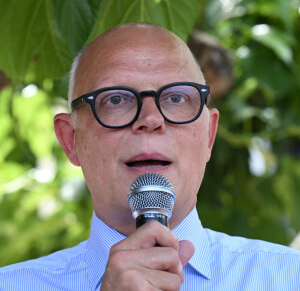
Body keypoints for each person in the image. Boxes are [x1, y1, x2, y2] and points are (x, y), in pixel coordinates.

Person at [0, 23, 299, 291]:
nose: (151, 118)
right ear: (70, 140)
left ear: (209, 135)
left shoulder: (287, 277)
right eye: (116, 99)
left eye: (176, 98)